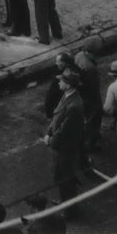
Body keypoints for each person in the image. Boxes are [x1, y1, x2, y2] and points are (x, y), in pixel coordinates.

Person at [44, 68, 85, 213]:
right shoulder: (67, 96)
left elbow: (64, 130)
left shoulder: (74, 105)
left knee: (66, 178)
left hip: (65, 148)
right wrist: (49, 132)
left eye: (61, 80)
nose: (59, 82)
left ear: (68, 85)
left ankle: (70, 210)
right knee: (61, 177)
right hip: (60, 146)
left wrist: (51, 141)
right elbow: (57, 117)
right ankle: (65, 203)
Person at [75, 46, 103, 155]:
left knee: (86, 119)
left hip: (81, 95)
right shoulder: (91, 68)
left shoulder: (79, 55)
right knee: (94, 119)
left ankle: (87, 138)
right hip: (91, 98)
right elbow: (94, 88)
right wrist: (97, 104)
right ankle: (90, 144)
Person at [44, 52, 77, 119]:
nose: (56, 63)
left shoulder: (62, 78)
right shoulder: (74, 70)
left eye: (58, 61)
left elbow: (50, 97)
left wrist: (49, 115)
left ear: (65, 63)